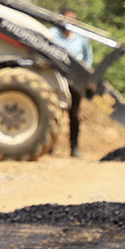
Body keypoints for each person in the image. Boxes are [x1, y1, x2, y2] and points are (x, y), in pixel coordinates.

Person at [52, 9, 93, 157]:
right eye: (67, 19)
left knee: (74, 114)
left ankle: (74, 148)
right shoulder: (52, 34)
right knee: (54, 113)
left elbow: (88, 59)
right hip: (56, 80)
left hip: (76, 82)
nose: (69, 23)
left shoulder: (81, 38)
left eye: (72, 20)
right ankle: (50, 146)